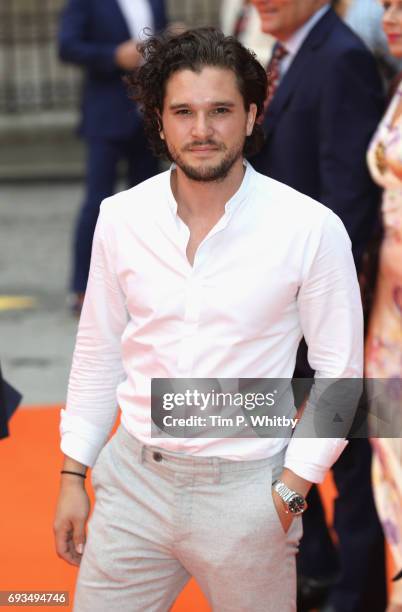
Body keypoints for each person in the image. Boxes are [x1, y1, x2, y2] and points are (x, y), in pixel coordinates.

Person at [53, 27, 364, 612]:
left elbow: (340, 375)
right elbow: (98, 352)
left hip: (249, 492)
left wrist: (291, 492)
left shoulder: (310, 228)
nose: (201, 130)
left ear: (250, 115)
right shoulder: (121, 218)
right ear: (160, 120)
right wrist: (75, 475)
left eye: (220, 110)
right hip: (131, 485)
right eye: (184, 112)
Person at [249, 1, 386, 611]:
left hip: (324, 299)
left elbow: (346, 200)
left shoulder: (340, 58)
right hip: (284, 297)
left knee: (346, 452)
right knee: (283, 440)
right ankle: (319, 569)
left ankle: (353, 593)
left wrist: (312, 301)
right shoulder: (289, 52)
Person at [58, 0, 167, 313]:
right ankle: (82, 287)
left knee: (152, 205)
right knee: (97, 202)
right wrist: (113, 56)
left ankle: (148, 283)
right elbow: (67, 46)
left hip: (147, 116)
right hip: (106, 114)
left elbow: (155, 41)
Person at [366, 1, 402, 610]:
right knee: (388, 443)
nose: (388, 16)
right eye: (385, 4)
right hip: (387, 306)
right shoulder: (398, 83)